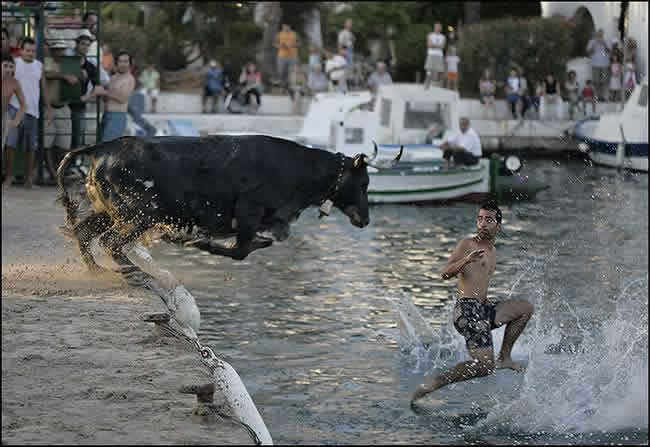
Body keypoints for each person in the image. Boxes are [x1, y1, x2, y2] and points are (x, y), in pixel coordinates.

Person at [410, 200, 535, 405]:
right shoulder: (467, 244)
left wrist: (486, 301)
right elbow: (445, 274)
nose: (483, 224)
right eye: (479, 219)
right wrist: (466, 259)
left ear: (498, 225)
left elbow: (480, 284)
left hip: (482, 308)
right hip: (466, 310)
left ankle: (505, 357)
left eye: (488, 220)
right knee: (484, 367)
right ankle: (435, 382)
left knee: (525, 309)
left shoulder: (493, 252)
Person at [4, 38, 53, 189]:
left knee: (31, 147)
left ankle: (28, 179)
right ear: (21, 50)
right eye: (27, 50)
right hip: (14, 108)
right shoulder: (14, 63)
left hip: (33, 111)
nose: (30, 53)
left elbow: (43, 88)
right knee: (10, 144)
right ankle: (9, 176)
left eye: (33, 50)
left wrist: (49, 108)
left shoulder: (39, 65)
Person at [42, 41, 80, 183]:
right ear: (52, 50)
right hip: (49, 108)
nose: (60, 52)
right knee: (47, 144)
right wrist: (65, 76)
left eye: (62, 49)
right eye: (57, 49)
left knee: (64, 144)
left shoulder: (69, 64)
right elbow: (48, 74)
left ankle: (59, 173)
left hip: (64, 107)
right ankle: (53, 174)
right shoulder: (47, 61)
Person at [83, 50, 135, 142]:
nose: (123, 64)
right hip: (106, 115)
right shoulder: (113, 78)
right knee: (100, 144)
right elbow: (106, 98)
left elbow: (123, 98)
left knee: (107, 146)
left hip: (117, 116)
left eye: (126, 61)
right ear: (116, 63)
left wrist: (104, 92)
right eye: (120, 61)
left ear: (130, 63)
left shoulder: (129, 79)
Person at [69, 34, 99, 150]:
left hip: (80, 106)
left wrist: (86, 97)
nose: (85, 47)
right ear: (76, 45)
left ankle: (74, 164)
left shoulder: (90, 67)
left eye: (88, 45)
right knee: (63, 138)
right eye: (82, 44)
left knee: (78, 137)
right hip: (64, 104)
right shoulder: (67, 62)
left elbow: (98, 88)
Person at [2, 53, 26, 159]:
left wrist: (16, 120)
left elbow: (23, 105)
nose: (8, 69)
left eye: (11, 67)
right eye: (5, 66)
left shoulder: (14, 83)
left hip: (4, 116)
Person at [586, 29, 610, 101]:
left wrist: (604, 43)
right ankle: (596, 96)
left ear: (603, 34)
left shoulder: (606, 41)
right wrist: (594, 45)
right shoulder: (592, 42)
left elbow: (609, 51)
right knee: (596, 82)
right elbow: (588, 52)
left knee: (604, 81)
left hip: (604, 64)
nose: (600, 35)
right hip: (595, 64)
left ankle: (603, 97)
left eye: (601, 34)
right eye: (598, 34)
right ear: (596, 34)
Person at [274, 24, 299, 94]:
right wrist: (281, 46)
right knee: (281, 72)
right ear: (282, 26)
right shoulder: (279, 34)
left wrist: (293, 45)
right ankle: (282, 87)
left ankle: (290, 88)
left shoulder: (294, 34)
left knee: (291, 72)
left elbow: (299, 43)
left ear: (290, 26)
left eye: (288, 26)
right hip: (282, 56)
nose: (286, 27)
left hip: (293, 56)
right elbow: (275, 44)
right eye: (285, 26)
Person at [424, 22, 446, 89]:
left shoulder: (443, 37)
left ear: (441, 28)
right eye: (437, 27)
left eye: (439, 27)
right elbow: (429, 45)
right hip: (431, 54)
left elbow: (442, 46)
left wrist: (434, 45)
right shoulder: (430, 35)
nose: (438, 28)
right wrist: (437, 46)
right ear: (434, 27)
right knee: (429, 69)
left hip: (439, 55)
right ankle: (427, 83)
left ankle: (440, 85)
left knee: (440, 70)